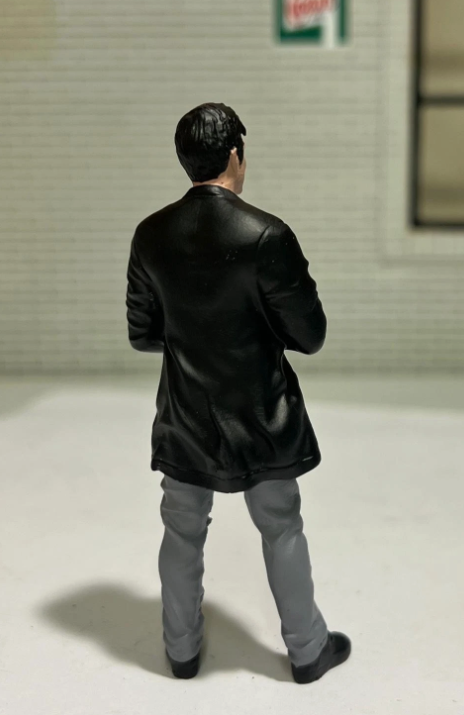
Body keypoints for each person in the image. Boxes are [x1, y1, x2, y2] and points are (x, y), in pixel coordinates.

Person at [125, 102, 351, 684]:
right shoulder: (267, 234)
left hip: (186, 412)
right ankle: (307, 651)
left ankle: (180, 651)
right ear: (234, 156)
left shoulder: (151, 234)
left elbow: (143, 333)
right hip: (261, 413)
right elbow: (311, 335)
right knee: (281, 524)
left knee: (181, 527)